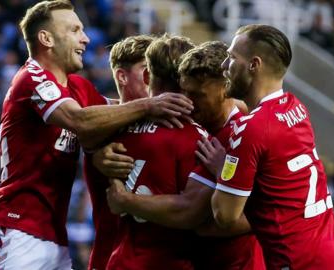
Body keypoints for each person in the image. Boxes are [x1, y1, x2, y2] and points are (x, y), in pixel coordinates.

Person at [0, 1, 193, 269]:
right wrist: (149, 105)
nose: (85, 38)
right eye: (75, 30)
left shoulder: (77, 87)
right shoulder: (31, 78)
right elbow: (81, 121)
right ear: (47, 38)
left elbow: (115, 113)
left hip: (52, 235)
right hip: (15, 227)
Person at [201, 24, 334, 269]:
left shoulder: (250, 129)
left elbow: (225, 215)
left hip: (301, 262)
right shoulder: (296, 108)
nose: (224, 66)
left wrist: (224, 170)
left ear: (254, 64)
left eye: (231, 58)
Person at [105, 41, 265, 270]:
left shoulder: (242, 136)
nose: (187, 101)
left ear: (225, 89)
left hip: (238, 263)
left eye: (197, 95)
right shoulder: (192, 128)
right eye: (184, 91)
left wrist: (226, 172)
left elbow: (198, 217)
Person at [103, 34, 202, 270]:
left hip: (120, 260)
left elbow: (84, 127)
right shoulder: (199, 138)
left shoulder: (112, 129)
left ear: (148, 76)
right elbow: (196, 214)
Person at [83, 34, 154, 270]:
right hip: (110, 255)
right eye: (145, 69)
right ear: (122, 76)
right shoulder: (102, 123)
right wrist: (97, 154)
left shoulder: (168, 117)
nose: (152, 78)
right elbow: (82, 126)